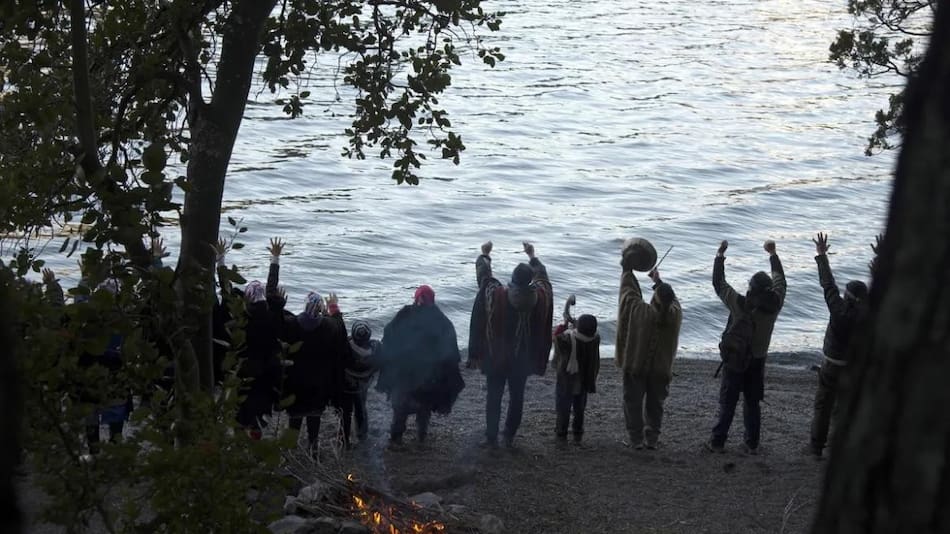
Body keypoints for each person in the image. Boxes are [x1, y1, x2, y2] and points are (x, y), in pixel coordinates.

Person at [705, 239, 787, 455]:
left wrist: (720, 255)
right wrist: (773, 254)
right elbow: (781, 281)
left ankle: (717, 442)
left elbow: (718, 283)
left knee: (728, 402)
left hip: (735, 358)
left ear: (751, 288)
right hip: (758, 359)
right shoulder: (775, 304)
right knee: (752, 402)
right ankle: (751, 444)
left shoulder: (739, 304)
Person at [469, 241, 554, 449]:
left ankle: (491, 438)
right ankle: (508, 436)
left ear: (512, 282)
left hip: (496, 357)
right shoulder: (541, 297)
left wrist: (485, 254)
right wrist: (532, 256)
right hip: (523, 359)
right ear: (530, 282)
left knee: (494, 397)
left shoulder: (496, 295)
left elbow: (484, 278)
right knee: (517, 397)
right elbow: (544, 278)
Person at [806, 232, 870, 458]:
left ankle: (816, 448)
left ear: (848, 296)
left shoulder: (838, 309)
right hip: (853, 366)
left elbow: (827, 283)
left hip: (831, 364)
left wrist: (821, 255)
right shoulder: (868, 314)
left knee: (823, 406)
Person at [376, 285, 463, 448]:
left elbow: (388, 332)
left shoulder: (406, 313)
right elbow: (450, 347)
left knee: (401, 406)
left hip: (406, 371)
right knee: (424, 406)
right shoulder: (440, 319)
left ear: (417, 298)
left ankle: (396, 438)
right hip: (429, 375)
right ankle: (421, 436)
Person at [614, 262, 683, 450]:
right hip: (661, 369)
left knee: (632, 402)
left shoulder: (642, 312)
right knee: (656, 405)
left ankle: (636, 440)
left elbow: (629, 296)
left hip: (637, 365)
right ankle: (652, 439)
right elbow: (672, 298)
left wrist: (627, 270)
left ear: (656, 298)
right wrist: (657, 280)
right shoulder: (675, 314)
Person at [235, 239, 285, 440]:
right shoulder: (272, 314)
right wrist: (275, 259)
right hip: (266, 369)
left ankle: (240, 435)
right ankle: (255, 435)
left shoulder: (242, 317)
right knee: (259, 404)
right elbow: (272, 289)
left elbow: (227, 292)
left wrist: (220, 261)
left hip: (245, 368)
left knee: (242, 405)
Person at [551, 295, 600, 447]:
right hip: (584, 380)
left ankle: (561, 434)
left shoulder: (566, 340)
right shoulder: (595, 339)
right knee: (579, 409)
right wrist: (573, 324)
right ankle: (578, 434)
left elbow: (556, 339)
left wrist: (564, 325)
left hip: (567, 381)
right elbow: (580, 334)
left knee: (563, 408)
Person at [345, 321, 381, 443]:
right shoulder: (375, 348)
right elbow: (378, 366)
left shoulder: (346, 345)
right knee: (361, 408)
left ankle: (345, 436)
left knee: (347, 410)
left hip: (348, 382)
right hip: (364, 382)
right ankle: (362, 435)